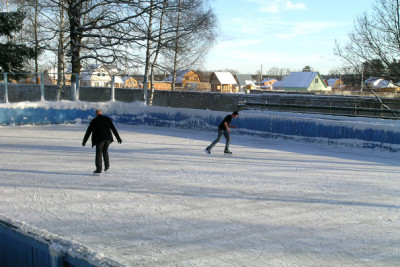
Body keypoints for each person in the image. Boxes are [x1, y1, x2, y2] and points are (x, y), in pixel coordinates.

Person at [82, 109, 122, 174]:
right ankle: (107, 167)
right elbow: (113, 128)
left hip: (99, 139)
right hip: (108, 139)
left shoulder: (94, 121)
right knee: (105, 152)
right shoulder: (107, 119)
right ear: (101, 113)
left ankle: (98, 169)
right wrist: (118, 138)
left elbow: (88, 131)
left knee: (98, 153)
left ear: (96, 114)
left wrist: (84, 141)